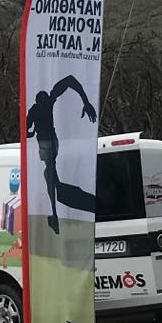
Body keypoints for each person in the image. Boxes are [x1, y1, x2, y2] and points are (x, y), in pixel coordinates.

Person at [25, 75, 98, 236]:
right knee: (50, 173)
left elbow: (26, 130)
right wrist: (85, 101)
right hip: (52, 141)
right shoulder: (47, 103)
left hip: (46, 143)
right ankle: (56, 212)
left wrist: (31, 132)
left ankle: (55, 214)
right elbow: (70, 80)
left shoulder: (35, 109)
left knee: (49, 172)